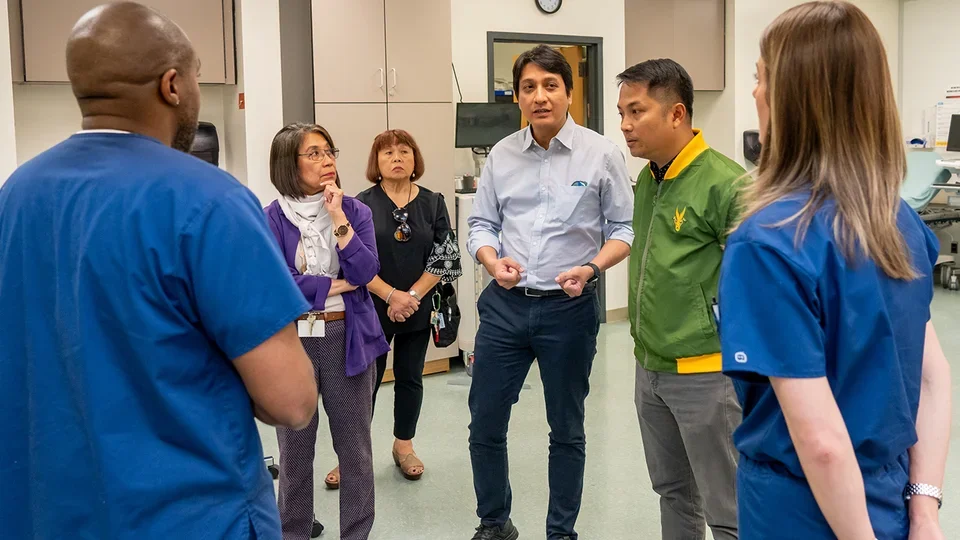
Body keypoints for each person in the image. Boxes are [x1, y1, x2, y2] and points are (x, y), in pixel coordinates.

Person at [0, 3, 319, 539]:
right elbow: (291, 401)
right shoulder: (210, 202)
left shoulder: (15, 198)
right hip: (188, 515)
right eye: (195, 75)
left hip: (47, 512)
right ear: (173, 85)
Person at [718, 2, 952, 539]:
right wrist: (925, 510)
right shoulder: (898, 222)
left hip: (804, 509)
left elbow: (820, 442)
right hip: (891, 498)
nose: (755, 93)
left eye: (760, 77)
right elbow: (933, 377)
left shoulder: (769, 242)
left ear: (793, 98)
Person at [466, 45, 635, 540]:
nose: (539, 96)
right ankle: (494, 522)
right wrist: (493, 260)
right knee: (485, 422)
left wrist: (590, 267)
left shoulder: (601, 153)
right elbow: (481, 224)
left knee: (566, 427)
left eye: (550, 85)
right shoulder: (501, 154)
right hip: (504, 308)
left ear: (568, 91)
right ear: (517, 96)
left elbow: (623, 228)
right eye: (528, 88)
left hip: (569, 308)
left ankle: (561, 531)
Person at [618, 58, 743, 540]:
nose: (625, 126)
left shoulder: (727, 183)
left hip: (706, 373)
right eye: (621, 113)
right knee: (673, 490)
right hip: (650, 368)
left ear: (676, 114)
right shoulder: (650, 178)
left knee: (727, 505)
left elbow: (753, 290)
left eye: (636, 111)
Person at [264, 122, 389, 540]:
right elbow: (274, 285)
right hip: (292, 342)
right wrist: (333, 285)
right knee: (295, 453)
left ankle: (356, 534)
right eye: (314, 153)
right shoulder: (269, 219)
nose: (327, 160)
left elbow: (367, 271)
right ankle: (293, 533)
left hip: (347, 338)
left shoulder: (354, 211)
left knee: (355, 451)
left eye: (329, 151)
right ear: (288, 163)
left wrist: (337, 216)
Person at [355, 129, 462, 482]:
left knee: (410, 377)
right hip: (373, 307)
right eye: (387, 153)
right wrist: (390, 295)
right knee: (364, 383)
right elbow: (351, 260)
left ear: (415, 159)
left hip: (417, 307)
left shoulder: (433, 202)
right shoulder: (361, 204)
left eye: (404, 151)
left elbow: (445, 257)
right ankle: (354, 455)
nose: (397, 157)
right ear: (377, 163)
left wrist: (411, 297)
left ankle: (404, 445)